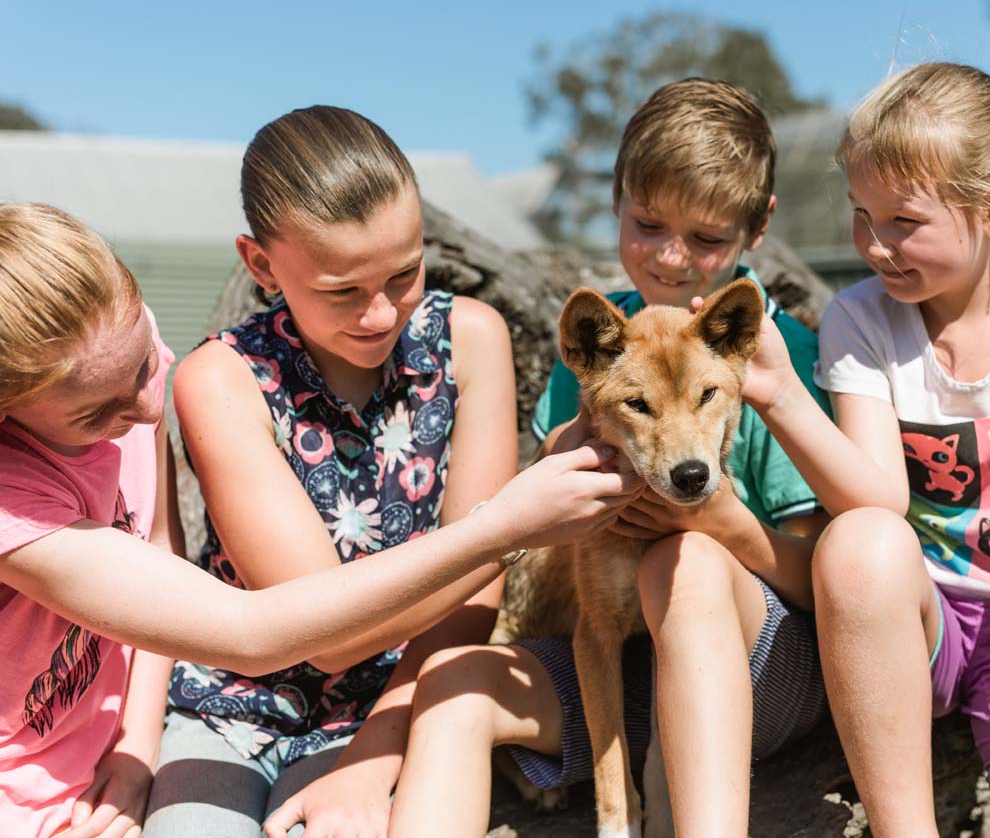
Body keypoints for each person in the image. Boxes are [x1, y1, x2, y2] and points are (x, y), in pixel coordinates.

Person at [0, 201, 634, 838]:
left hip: (362, 704)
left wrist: (137, 747)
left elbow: (159, 553)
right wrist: (506, 528)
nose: (146, 405)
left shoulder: (109, 358)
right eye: (94, 416)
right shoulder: (24, 487)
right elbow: (261, 631)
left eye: (144, 363)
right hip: (206, 710)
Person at [390, 78, 832, 837]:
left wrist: (721, 517)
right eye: (648, 222)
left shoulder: (772, 356)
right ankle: (611, 797)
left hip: (761, 669)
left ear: (755, 229)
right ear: (617, 204)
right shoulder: (602, 349)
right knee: (454, 685)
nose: (671, 256)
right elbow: (580, 590)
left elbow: (824, 580)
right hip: (626, 670)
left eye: (705, 237)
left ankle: (666, 806)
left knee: (680, 564)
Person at [734, 62, 990, 837]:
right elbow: (878, 502)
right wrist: (781, 394)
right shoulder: (861, 320)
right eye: (862, 215)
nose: (874, 245)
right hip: (910, 621)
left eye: (903, 221)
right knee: (858, 542)